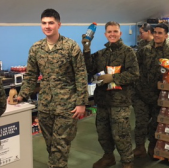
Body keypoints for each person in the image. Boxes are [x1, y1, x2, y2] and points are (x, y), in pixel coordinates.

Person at [17, 9, 89, 168]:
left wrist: (81, 103)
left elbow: (81, 75)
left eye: (51, 23)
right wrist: (21, 96)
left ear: (59, 24)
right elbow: (31, 76)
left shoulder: (70, 46)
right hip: (45, 105)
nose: (47, 26)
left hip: (66, 105)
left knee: (60, 145)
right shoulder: (36, 48)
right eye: (44, 23)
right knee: (50, 145)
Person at [82, 21, 139, 168]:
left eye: (115, 31)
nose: (112, 34)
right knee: (103, 133)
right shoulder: (102, 53)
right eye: (109, 32)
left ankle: (127, 162)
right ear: (105, 34)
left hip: (120, 102)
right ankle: (108, 157)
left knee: (121, 134)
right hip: (103, 101)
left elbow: (134, 74)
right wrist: (86, 49)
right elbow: (89, 68)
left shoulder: (128, 52)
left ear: (120, 34)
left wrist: (113, 78)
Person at [134, 23, 169, 157]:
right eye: (156, 33)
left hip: (159, 94)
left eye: (160, 33)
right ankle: (139, 147)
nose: (157, 35)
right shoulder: (144, 49)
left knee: (155, 122)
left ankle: (153, 146)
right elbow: (134, 66)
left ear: (166, 35)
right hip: (141, 92)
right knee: (140, 122)